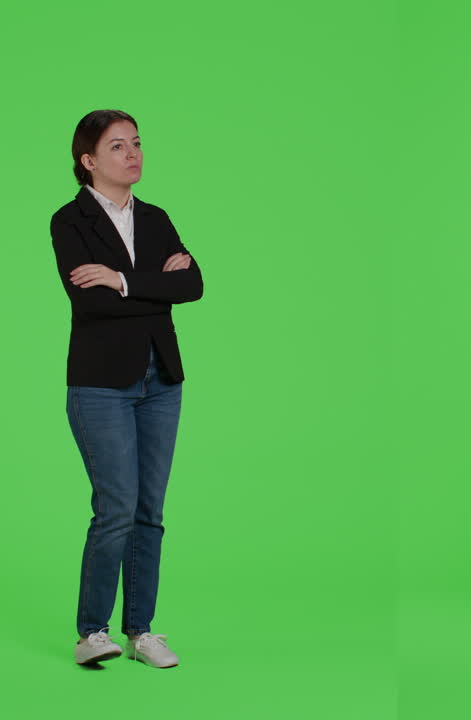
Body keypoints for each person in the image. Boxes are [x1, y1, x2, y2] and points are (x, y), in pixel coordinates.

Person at [51, 109, 204, 668]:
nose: (133, 153)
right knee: (114, 507)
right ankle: (92, 631)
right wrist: (154, 284)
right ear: (89, 161)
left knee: (149, 510)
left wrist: (119, 280)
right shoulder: (69, 222)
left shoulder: (157, 217)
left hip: (161, 380)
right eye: (118, 147)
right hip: (101, 385)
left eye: (137, 143)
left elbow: (193, 285)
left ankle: (141, 630)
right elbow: (89, 303)